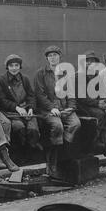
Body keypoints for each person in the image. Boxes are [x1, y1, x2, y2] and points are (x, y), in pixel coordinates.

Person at [33, 46, 81, 175]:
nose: (53, 57)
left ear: (60, 57)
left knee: (75, 123)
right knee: (57, 126)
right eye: (50, 55)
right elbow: (40, 95)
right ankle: (52, 163)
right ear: (47, 58)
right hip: (48, 110)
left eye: (55, 55)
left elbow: (71, 93)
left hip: (65, 108)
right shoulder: (41, 73)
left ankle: (62, 152)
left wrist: (71, 108)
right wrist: (51, 108)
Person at [76, 50, 106, 161]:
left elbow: (101, 91)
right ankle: (97, 145)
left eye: (92, 62)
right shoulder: (79, 76)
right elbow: (81, 97)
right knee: (100, 115)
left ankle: (104, 146)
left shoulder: (96, 76)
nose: (90, 64)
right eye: (87, 62)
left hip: (93, 104)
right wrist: (97, 103)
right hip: (82, 106)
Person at [0, 54, 42, 155]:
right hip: (11, 113)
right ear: (7, 67)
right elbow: (1, 100)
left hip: (26, 111)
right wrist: (16, 108)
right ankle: (20, 153)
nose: (14, 68)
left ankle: (32, 151)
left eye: (16, 65)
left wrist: (30, 108)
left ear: (20, 66)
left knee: (32, 129)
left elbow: (31, 96)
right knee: (19, 127)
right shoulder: (1, 80)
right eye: (11, 65)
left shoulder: (25, 79)